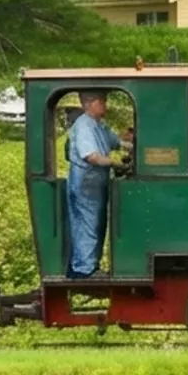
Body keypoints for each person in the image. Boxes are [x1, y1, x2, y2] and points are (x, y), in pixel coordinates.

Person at [65, 90, 127, 278]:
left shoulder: (99, 125)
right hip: (86, 181)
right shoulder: (84, 125)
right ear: (89, 102)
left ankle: (92, 265)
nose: (105, 105)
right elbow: (91, 156)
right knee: (87, 223)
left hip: (96, 182)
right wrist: (115, 163)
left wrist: (133, 146)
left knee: (97, 223)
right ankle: (83, 269)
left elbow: (116, 142)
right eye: (102, 101)